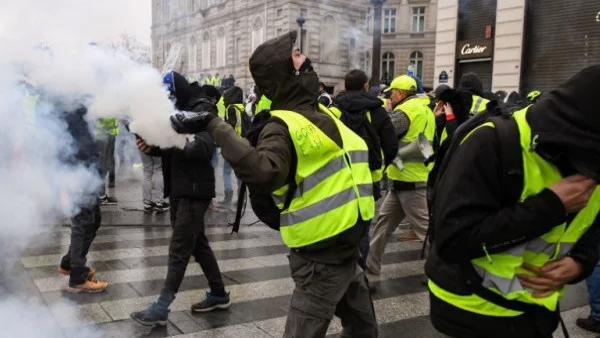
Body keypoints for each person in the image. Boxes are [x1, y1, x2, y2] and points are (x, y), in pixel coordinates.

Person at [170, 31, 378, 338]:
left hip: (348, 253)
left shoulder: (321, 112)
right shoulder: (281, 125)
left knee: (364, 330)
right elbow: (263, 172)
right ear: (284, 70)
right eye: (295, 53)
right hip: (321, 260)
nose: (303, 56)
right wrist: (214, 125)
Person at [425, 65, 600, 338]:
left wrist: (579, 262)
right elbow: (452, 240)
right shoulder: (492, 142)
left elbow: (591, 228)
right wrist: (551, 206)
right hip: (472, 311)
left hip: (536, 313)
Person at [130, 71, 230, 326]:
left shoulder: (203, 109)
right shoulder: (179, 109)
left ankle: (162, 307)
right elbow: (170, 147)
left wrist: (170, 137)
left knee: (179, 248)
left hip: (195, 190)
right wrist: (151, 147)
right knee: (198, 244)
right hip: (180, 187)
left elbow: (203, 147)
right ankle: (218, 293)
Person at [366, 75, 435, 275]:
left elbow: (387, 133)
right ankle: (370, 268)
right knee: (382, 226)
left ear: (401, 93)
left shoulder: (405, 111)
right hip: (406, 179)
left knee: (424, 231)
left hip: (409, 180)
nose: (389, 98)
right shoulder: (425, 109)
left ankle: (444, 271)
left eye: (391, 94)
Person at [332, 69, 398, 269]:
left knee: (339, 225)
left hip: (337, 178)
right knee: (362, 228)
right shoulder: (377, 111)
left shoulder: (334, 109)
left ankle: (339, 270)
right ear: (365, 86)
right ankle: (359, 273)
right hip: (368, 180)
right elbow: (391, 145)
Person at [57, 103, 109, 293]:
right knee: (83, 223)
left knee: (93, 221)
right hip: (78, 175)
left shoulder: (76, 110)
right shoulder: (69, 110)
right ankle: (78, 276)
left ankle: (68, 263)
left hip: (87, 173)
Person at [220, 86, 247, 204]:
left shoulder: (231, 108)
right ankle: (242, 197)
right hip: (242, 145)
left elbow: (232, 126)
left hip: (233, 145)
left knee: (226, 171)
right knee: (239, 174)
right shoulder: (242, 108)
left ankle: (228, 196)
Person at [96, 117, 118, 204]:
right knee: (102, 164)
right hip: (102, 134)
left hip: (110, 134)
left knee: (106, 164)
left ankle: (102, 194)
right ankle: (101, 196)